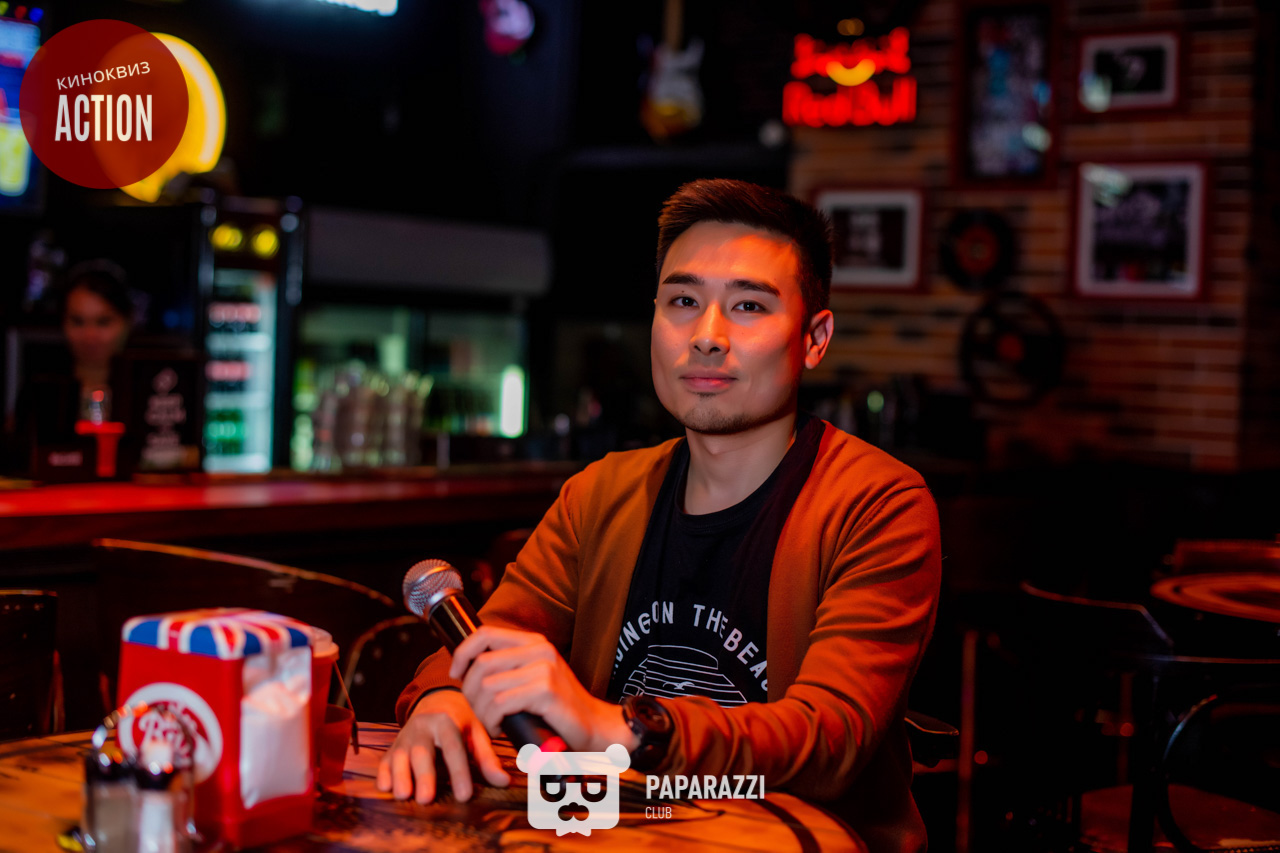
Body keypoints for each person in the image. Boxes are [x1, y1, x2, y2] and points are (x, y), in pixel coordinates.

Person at [377, 179, 942, 852]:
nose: (706, 337)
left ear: (814, 338)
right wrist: (445, 700)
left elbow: (829, 739)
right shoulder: (601, 493)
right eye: (683, 301)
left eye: (749, 305)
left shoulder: (876, 504)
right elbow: (487, 640)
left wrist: (615, 728)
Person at [6, 260, 136, 472]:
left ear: (127, 322)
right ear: (63, 323)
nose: (90, 336)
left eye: (103, 322)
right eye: (78, 321)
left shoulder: (147, 395)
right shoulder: (40, 390)